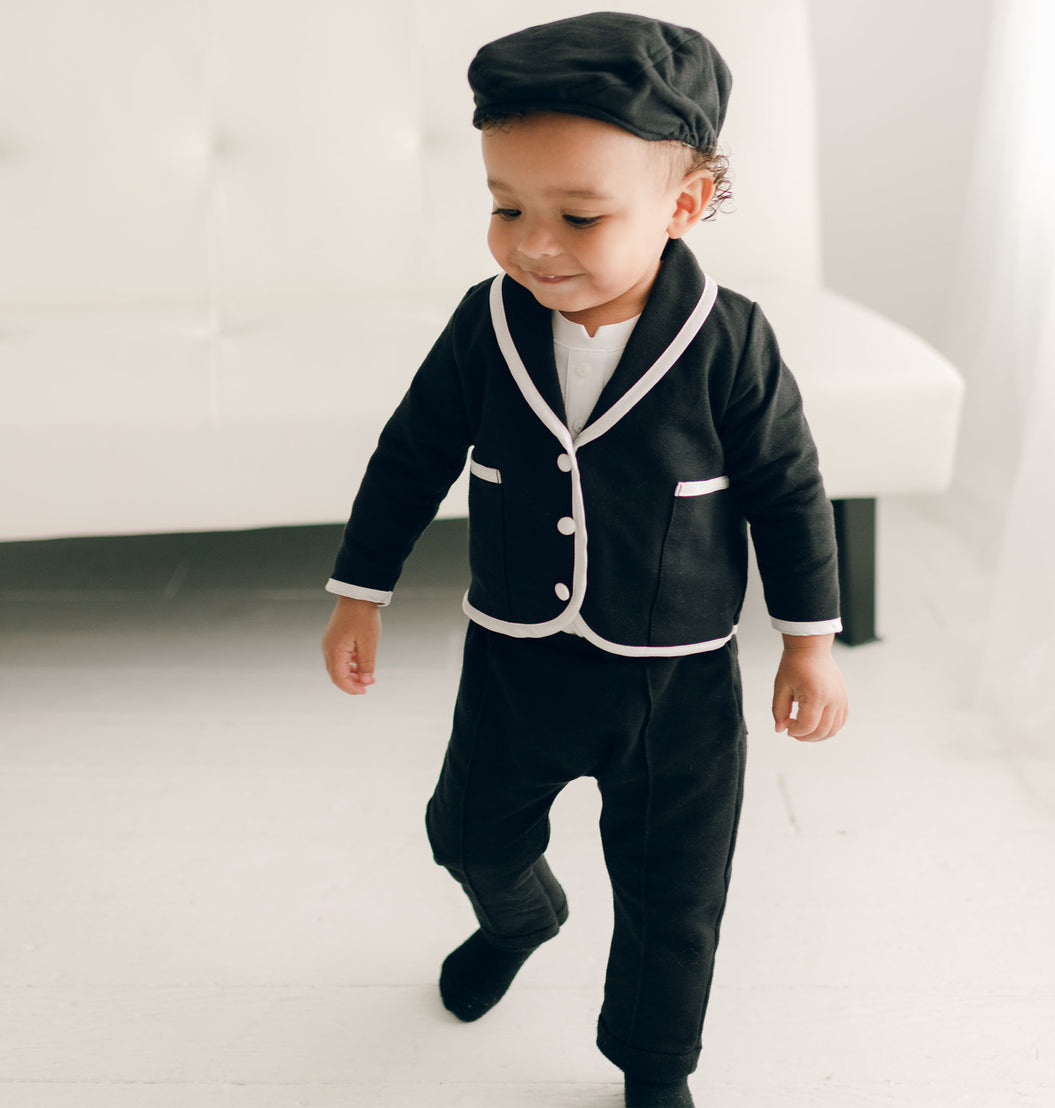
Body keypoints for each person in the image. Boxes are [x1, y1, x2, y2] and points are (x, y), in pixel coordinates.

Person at [321, 12, 848, 1108]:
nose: (531, 243)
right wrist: (360, 592)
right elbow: (411, 452)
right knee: (464, 830)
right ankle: (520, 915)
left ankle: (654, 1065)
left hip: (677, 678)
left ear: (684, 205)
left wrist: (809, 643)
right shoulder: (488, 324)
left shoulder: (731, 340)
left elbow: (788, 492)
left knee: (673, 892)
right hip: (518, 657)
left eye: (578, 215)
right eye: (504, 206)